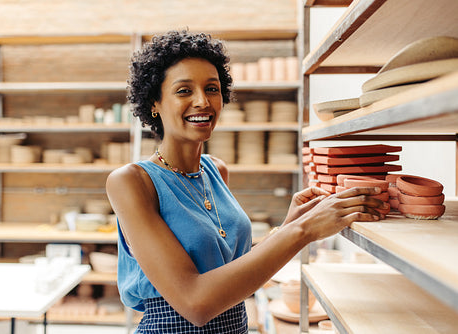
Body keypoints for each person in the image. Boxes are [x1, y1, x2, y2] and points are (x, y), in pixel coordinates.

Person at [106, 30, 386, 333]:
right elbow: (195, 303)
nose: (202, 101)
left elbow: (234, 272)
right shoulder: (132, 182)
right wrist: (303, 231)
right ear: (154, 103)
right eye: (184, 91)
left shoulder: (216, 170)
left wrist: (290, 223)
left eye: (212, 89)